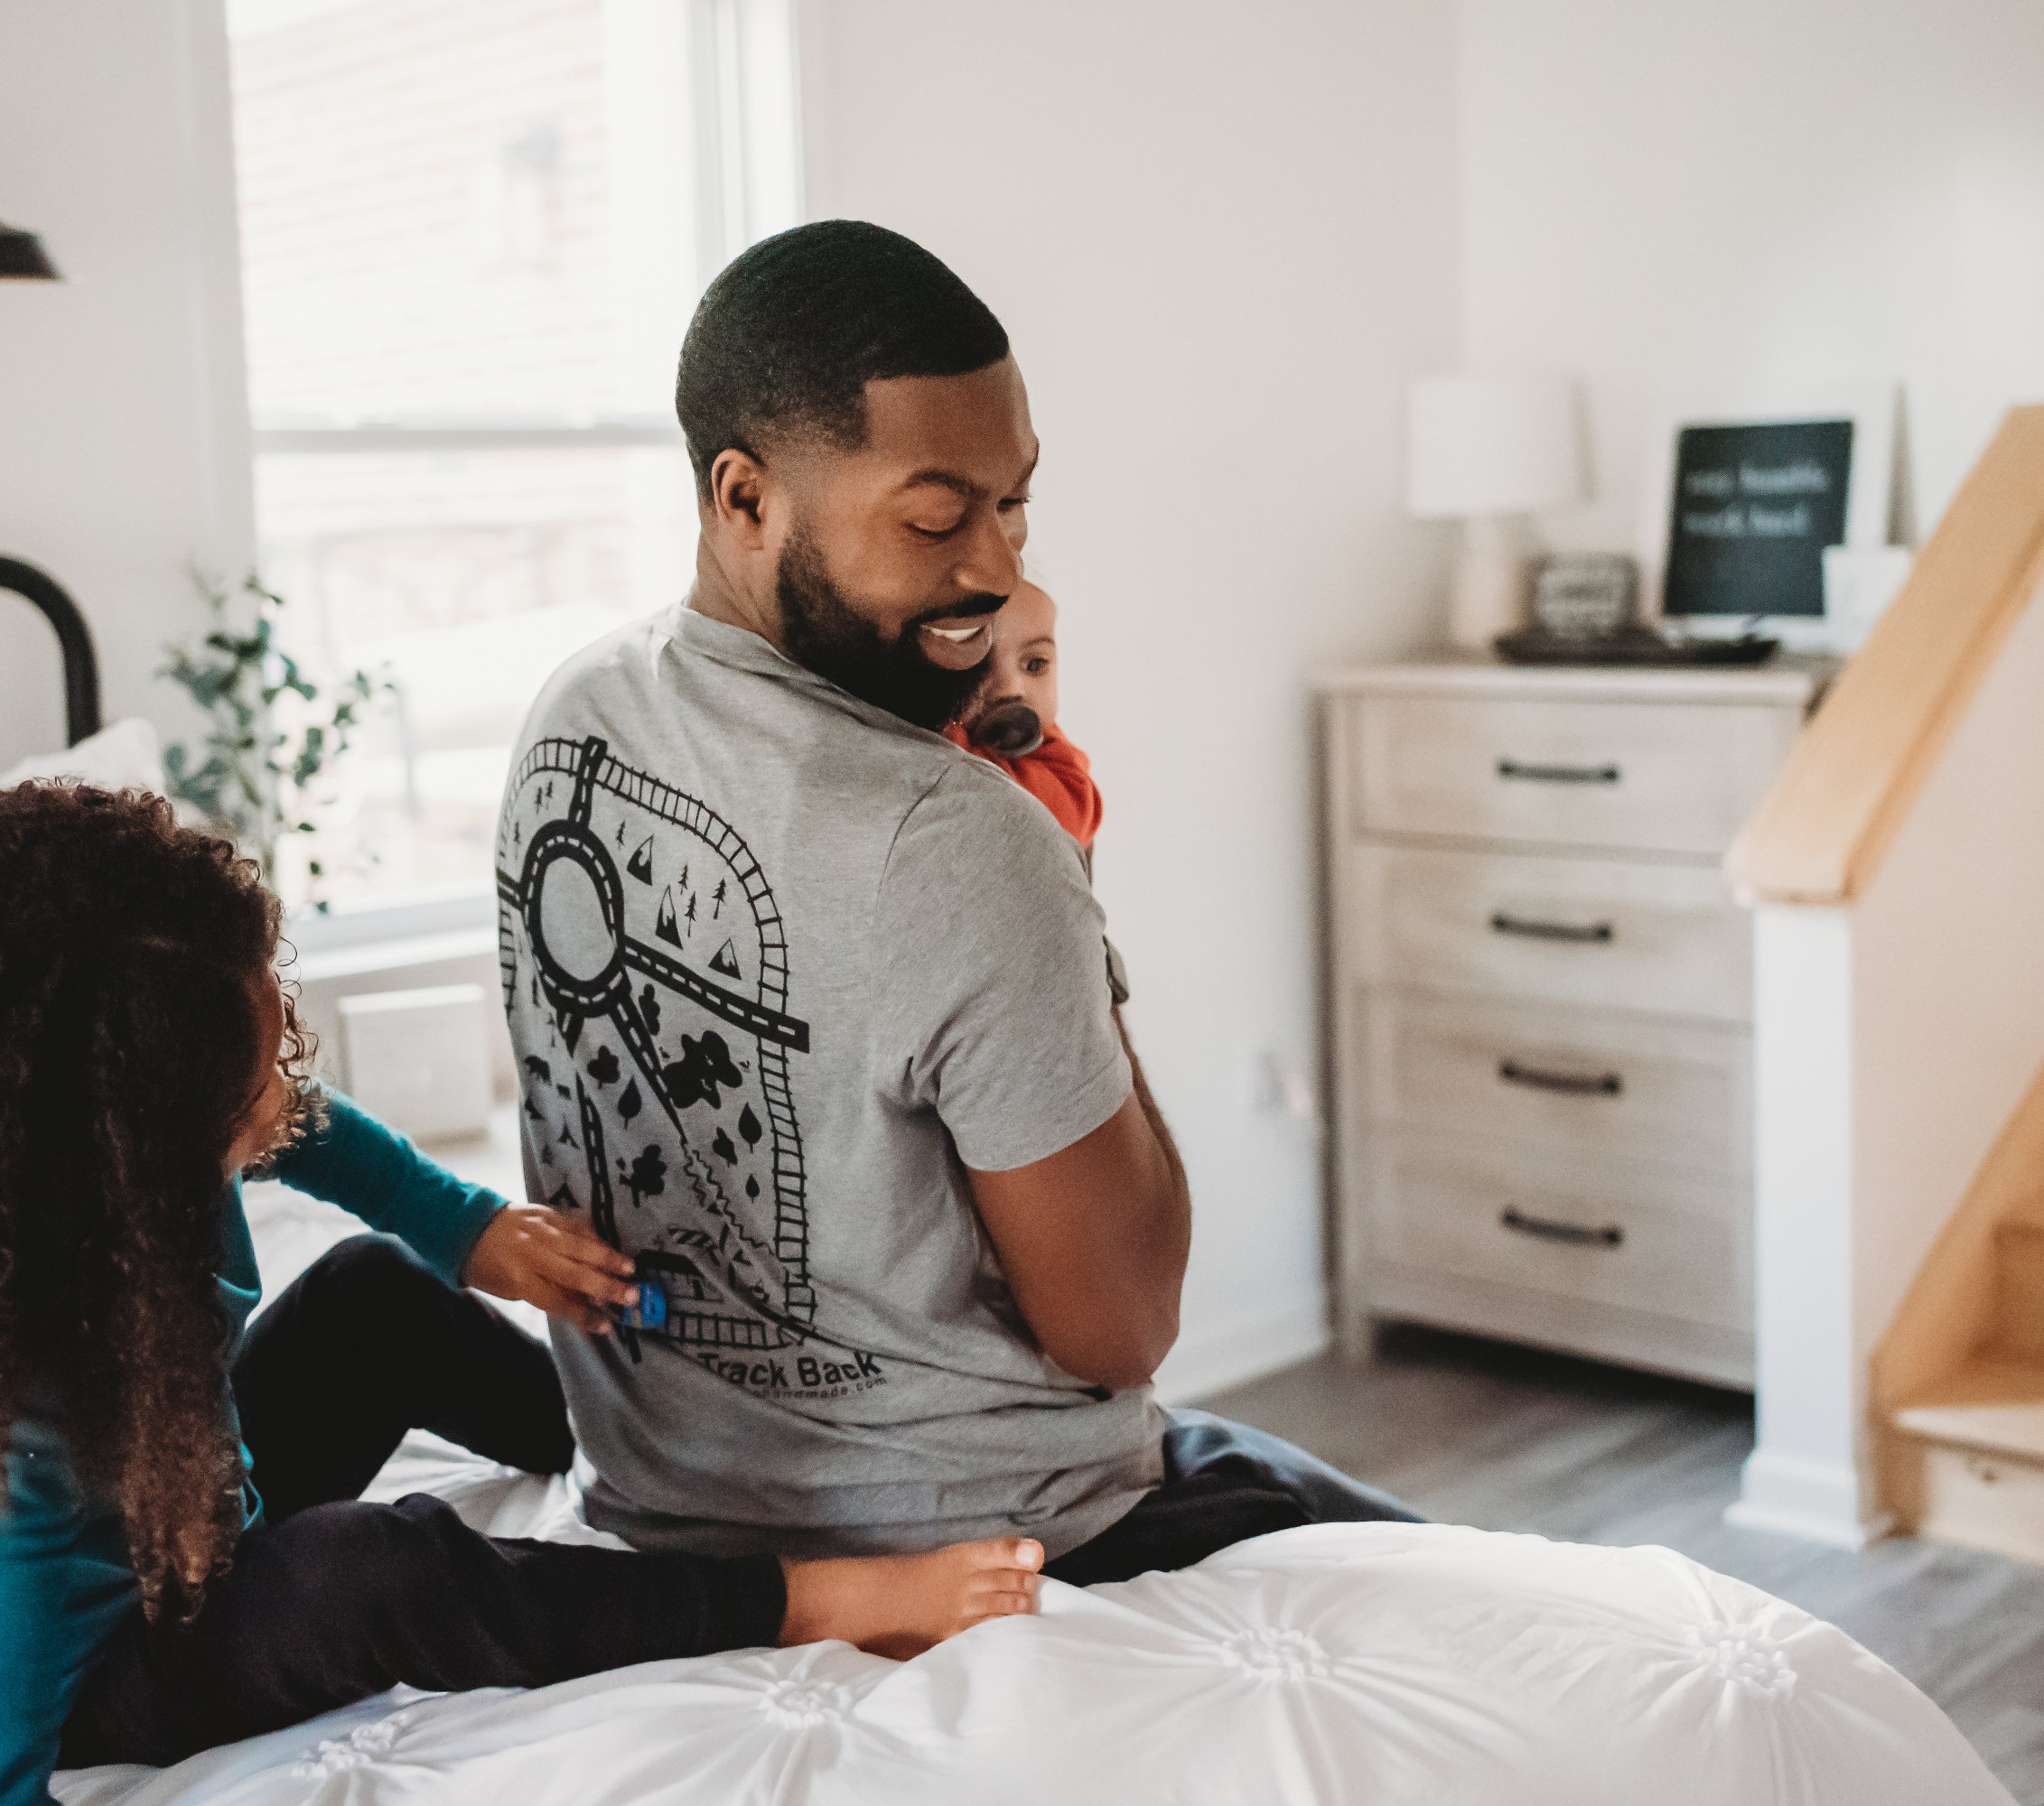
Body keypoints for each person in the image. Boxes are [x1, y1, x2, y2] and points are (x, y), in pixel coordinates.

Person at [0, 783, 1046, 1806]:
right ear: (126, 1148)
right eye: (253, 1076)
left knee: (371, 1288)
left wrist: (473, 1233)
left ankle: (655, 1456)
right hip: (105, 1664)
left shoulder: (152, 1126)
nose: (285, 1082)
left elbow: (311, 1134)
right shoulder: (24, 1405)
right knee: (366, 1569)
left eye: (274, 1034)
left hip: (200, 1510)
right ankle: (800, 1596)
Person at [496, 219, 1414, 1582]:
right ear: (744, 499)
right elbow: (1123, 1325)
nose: (992, 567)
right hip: (995, 1531)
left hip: (657, 1502)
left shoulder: (573, 717)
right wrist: (1069, 913)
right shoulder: (961, 837)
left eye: (1015, 502)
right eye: (935, 517)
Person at [942, 575, 1101, 853]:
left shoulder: (1056, 756)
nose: (1011, 689)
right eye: (979, 665)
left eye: (1035, 664)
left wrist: (950, 737)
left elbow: (1065, 819)